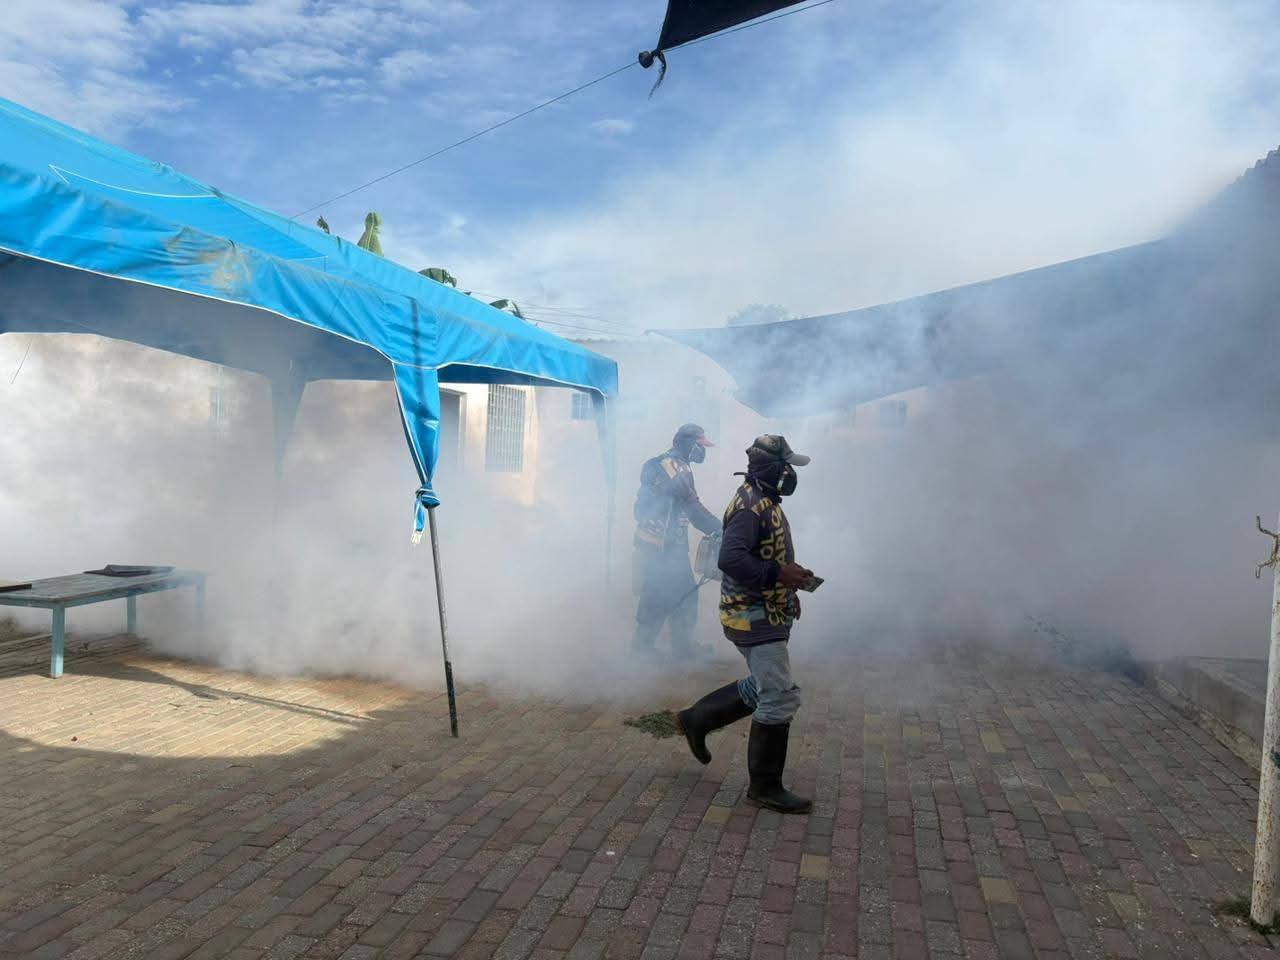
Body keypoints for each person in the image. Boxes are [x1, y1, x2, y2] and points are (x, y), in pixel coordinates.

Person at [674, 434, 814, 814]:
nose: (791, 474)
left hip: (764, 610)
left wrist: (789, 588)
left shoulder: (764, 499)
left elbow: (769, 554)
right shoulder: (751, 507)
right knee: (779, 695)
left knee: (766, 685)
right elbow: (730, 559)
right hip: (751, 615)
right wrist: (779, 576)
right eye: (786, 467)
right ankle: (764, 787)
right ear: (771, 468)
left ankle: (696, 719)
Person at [632, 423, 722, 658]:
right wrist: (720, 528)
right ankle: (657, 651)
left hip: (658, 544)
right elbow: (693, 508)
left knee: (668, 595)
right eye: (699, 445)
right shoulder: (676, 467)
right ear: (687, 444)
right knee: (669, 596)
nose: (702, 451)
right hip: (663, 546)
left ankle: (661, 649)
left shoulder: (667, 463)